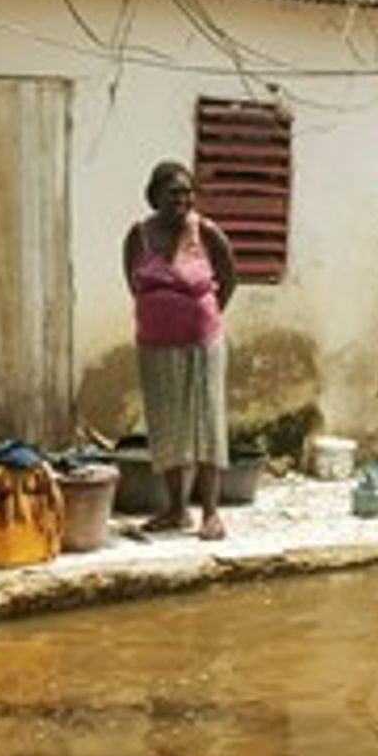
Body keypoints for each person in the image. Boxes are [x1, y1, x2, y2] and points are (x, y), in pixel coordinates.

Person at [124, 160, 238, 540]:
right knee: (167, 426)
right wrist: (160, 314)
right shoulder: (138, 237)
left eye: (188, 192)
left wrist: (205, 315)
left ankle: (210, 513)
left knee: (206, 422)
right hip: (155, 345)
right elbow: (134, 283)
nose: (183, 199)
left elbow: (230, 276)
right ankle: (176, 510)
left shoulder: (205, 232)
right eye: (174, 192)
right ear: (154, 196)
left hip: (202, 344)